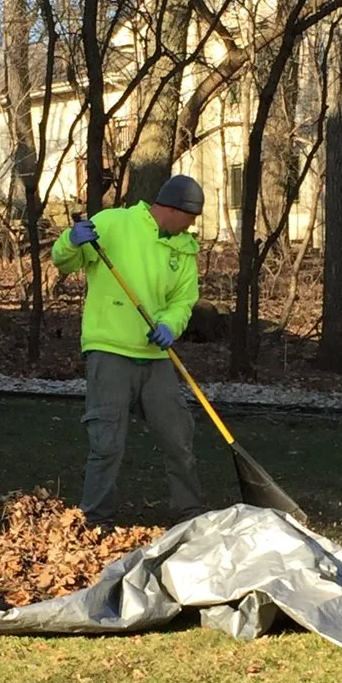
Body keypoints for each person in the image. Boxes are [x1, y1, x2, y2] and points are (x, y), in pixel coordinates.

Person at [51, 174, 205, 529]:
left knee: (178, 437)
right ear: (171, 209)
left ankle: (190, 513)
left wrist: (169, 325)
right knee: (107, 441)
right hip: (109, 350)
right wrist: (71, 241)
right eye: (191, 217)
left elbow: (183, 301)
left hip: (155, 359)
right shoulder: (113, 224)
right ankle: (96, 518)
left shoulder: (183, 250)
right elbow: (66, 261)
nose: (192, 225)